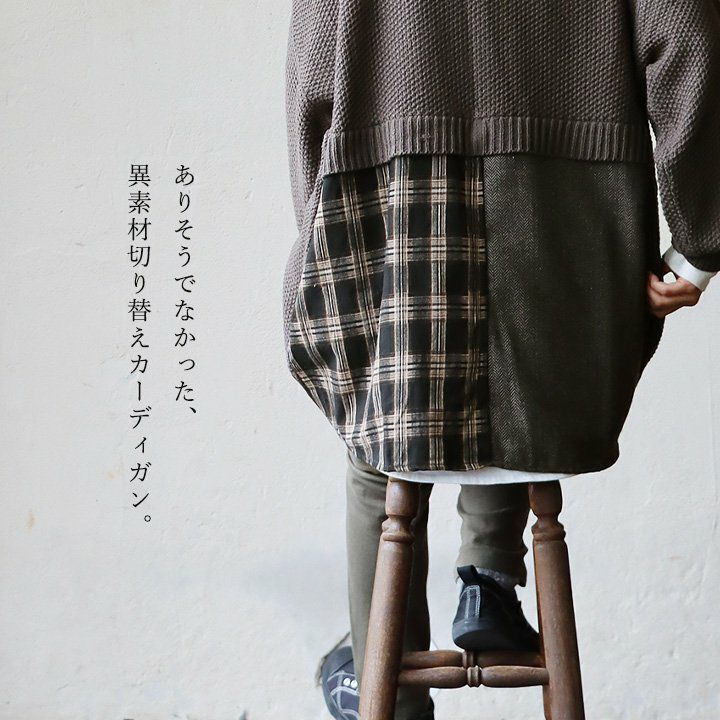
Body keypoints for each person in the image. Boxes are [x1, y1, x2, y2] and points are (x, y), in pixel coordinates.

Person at [281, 2, 720, 718]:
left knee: (379, 446)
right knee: (509, 338)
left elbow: (312, 82)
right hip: (574, 273)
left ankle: (383, 687)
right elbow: (688, 35)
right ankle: (488, 576)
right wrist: (700, 241)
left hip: (402, 234)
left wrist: (320, 235)